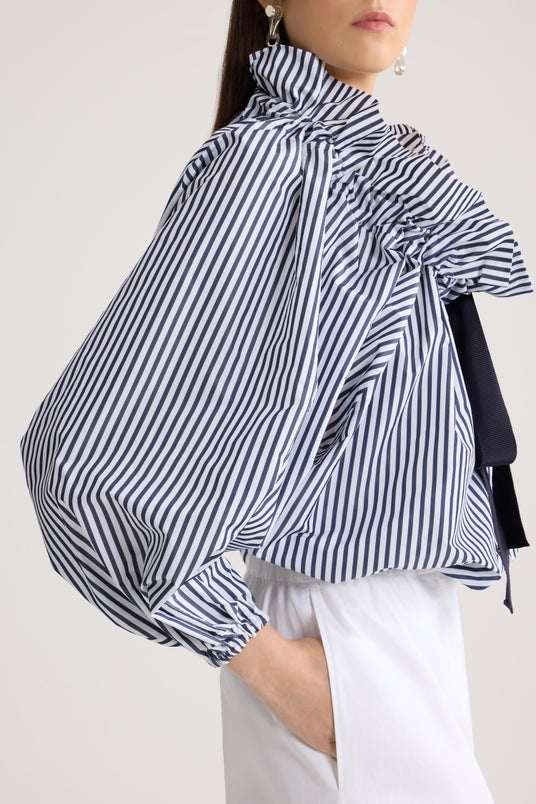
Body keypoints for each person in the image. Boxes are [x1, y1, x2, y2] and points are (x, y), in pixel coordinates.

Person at [20, 1, 532, 802]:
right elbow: (79, 457)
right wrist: (268, 664)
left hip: (400, 627)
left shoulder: (371, 170)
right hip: (340, 630)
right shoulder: (273, 160)